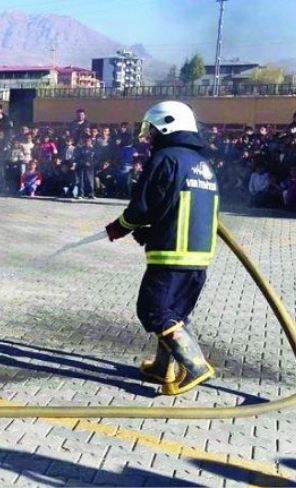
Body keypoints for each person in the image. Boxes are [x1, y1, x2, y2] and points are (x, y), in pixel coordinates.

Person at [104, 100, 218, 396]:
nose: (150, 136)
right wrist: (152, 232)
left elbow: (142, 206)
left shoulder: (166, 157)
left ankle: (194, 364)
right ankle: (162, 367)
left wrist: (121, 226)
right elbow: (177, 207)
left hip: (171, 253)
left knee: (153, 310)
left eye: (152, 130)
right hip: (197, 256)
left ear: (168, 125)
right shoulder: (203, 164)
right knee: (174, 312)